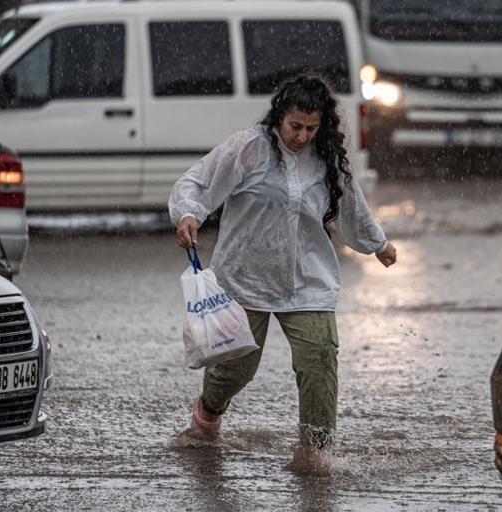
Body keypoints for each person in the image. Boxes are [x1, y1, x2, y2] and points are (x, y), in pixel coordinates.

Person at [169, 75, 397, 473]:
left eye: (311, 128)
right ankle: (207, 415)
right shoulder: (248, 148)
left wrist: (377, 243)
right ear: (279, 117)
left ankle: (314, 453)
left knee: (319, 362)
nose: (302, 136)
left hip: (308, 280)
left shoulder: (327, 158)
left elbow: (352, 206)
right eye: (295, 126)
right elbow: (199, 182)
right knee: (235, 368)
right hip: (245, 278)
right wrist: (188, 214)